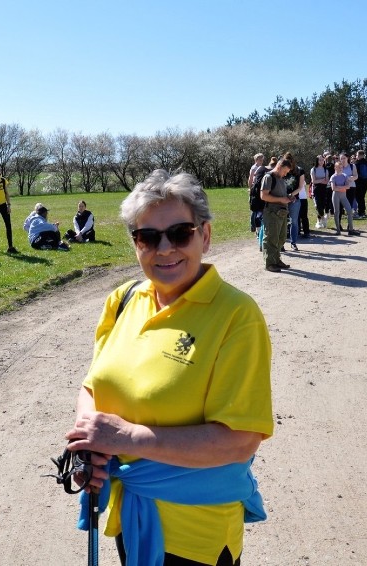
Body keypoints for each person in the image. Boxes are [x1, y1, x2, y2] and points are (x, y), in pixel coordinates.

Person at [65, 169, 273, 566]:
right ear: (135, 244)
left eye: (180, 233)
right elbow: (92, 386)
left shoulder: (236, 316)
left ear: (205, 236)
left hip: (196, 537)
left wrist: (126, 438)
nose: (165, 249)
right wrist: (89, 445)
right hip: (132, 517)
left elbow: (239, 440)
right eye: (148, 237)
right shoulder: (123, 300)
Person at [261, 157, 295, 272]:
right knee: (271, 238)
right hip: (271, 213)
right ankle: (269, 263)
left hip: (282, 213)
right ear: (279, 167)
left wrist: (289, 197)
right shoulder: (268, 177)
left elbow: (281, 194)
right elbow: (264, 196)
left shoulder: (280, 178)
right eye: (285, 171)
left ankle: (276, 260)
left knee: (281, 238)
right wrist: (281, 199)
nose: (285, 174)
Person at [329, 161, 361, 236]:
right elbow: (333, 188)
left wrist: (339, 187)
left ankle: (351, 229)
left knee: (349, 211)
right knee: (337, 212)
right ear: (335, 168)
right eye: (338, 167)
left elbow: (348, 186)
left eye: (341, 167)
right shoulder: (333, 177)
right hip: (336, 195)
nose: (340, 169)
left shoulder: (344, 176)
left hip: (343, 196)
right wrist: (343, 187)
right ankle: (338, 230)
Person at [311, 155, 330, 229]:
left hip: (324, 189)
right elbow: (313, 181)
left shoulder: (326, 170)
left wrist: (319, 181)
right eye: (320, 160)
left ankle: (319, 221)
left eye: (322, 160)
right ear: (317, 161)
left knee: (322, 206)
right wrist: (322, 180)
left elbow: (327, 181)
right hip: (316, 189)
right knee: (318, 206)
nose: (321, 162)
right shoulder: (313, 169)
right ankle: (323, 218)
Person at [247, 153, 265, 234]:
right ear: (256, 160)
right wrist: (251, 189)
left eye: (262, 160)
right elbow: (250, 179)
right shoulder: (254, 168)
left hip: (259, 190)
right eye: (260, 160)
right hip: (254, 190)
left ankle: (259, 224)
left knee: (259, 209)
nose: (261, 161)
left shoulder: (261, 168)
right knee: (254, 209)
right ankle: (253, 225)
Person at [354, 150, 367, 218]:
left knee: (359, 197)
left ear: (361, 155)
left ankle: (361, 212)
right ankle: (362, 211)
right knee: (362, 197)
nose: (356, 156)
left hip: (359, 182)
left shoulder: (358, 163)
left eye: (357, 155)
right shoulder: (366, 163)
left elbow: (356, 172)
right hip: (365, 182)